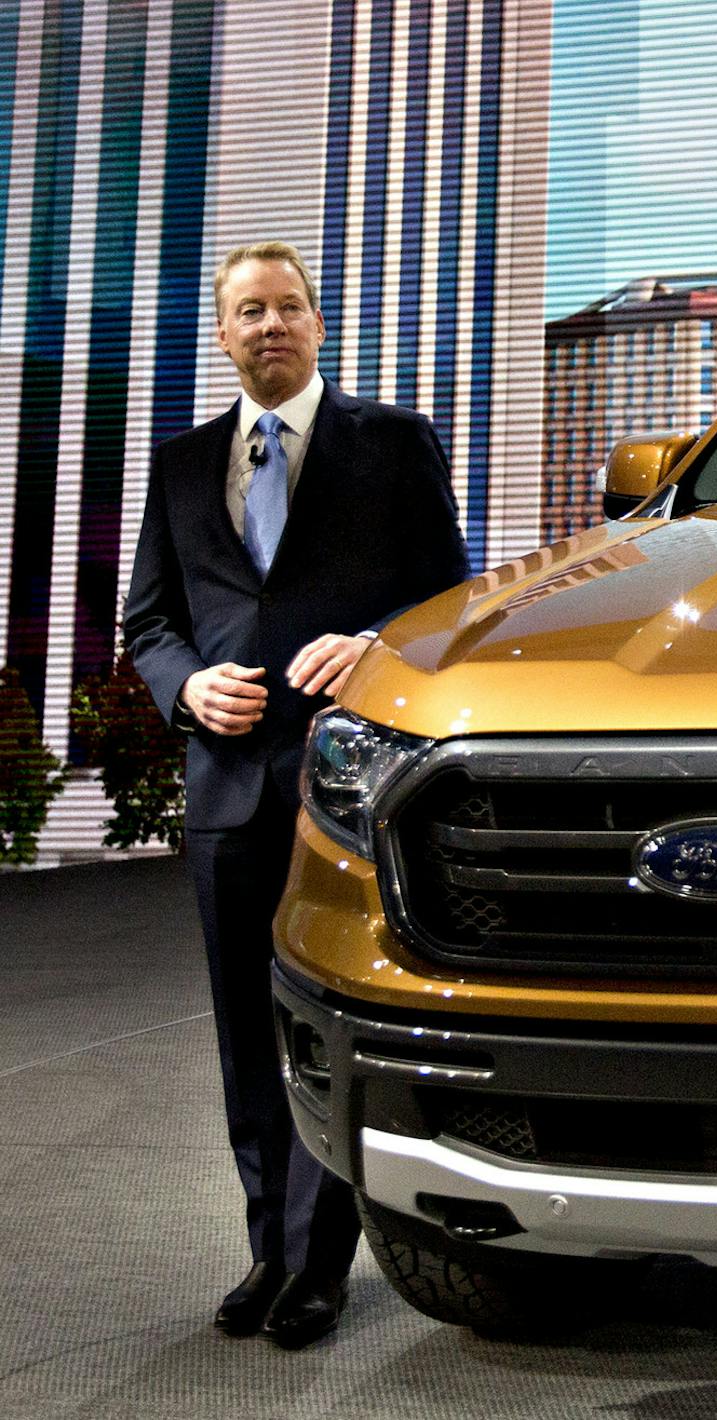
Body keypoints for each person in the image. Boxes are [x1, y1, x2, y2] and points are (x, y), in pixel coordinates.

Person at [122, 242, 470, 1347]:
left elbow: (452, 604)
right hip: (225, 789)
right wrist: (188, 687)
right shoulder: (182, 466)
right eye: (247, 311)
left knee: (322, 1020)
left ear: (318, 324)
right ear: (223, 335)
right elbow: (149, 624)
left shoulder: (394, 444)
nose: (269, 324)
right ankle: (267, 1247)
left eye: (287, 307)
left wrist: (368, 647)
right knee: (244, 1035)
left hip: (344, 794)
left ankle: (324, 1265)